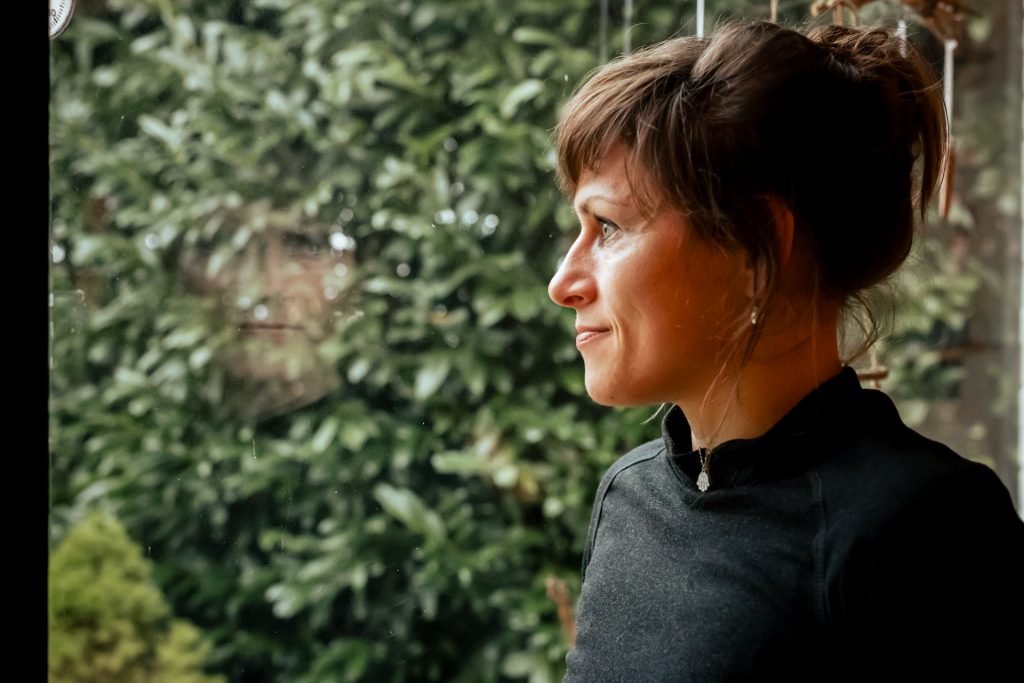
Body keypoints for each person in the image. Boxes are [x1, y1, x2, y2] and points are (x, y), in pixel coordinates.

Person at [547, 19, 1024, 680]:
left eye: (608, 226)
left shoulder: (929, 526)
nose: (562, 283)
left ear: (756, 245)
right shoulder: (628, 496)